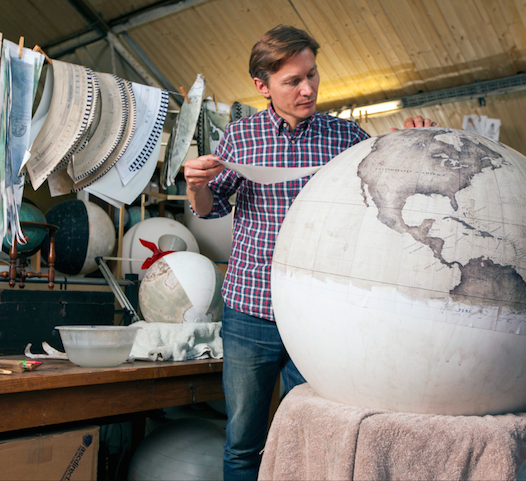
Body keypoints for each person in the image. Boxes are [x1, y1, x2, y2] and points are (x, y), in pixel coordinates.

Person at [184, 24, 436, 481]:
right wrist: (196, 186)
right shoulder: (240, 137)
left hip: (320, 316)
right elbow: (209, 210)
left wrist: (415, 141)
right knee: (243, 441)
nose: (308, 89)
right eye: (292, 81)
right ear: (262, 87)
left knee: (315, 439)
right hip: (251, 311)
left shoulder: (346, 138)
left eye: (312, 75)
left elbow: (386, 186)